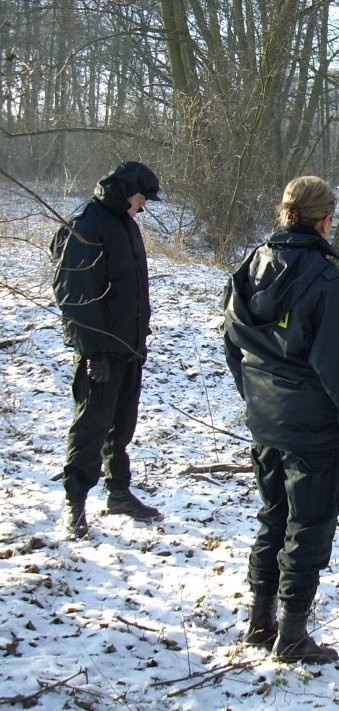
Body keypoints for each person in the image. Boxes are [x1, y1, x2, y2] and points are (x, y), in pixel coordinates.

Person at [222, 176, 339, 665]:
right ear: (325, 219)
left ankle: (260, 620)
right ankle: (291, 635)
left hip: (267, 420)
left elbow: (233, 344)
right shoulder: (325, 282)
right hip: (313, 428)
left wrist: (257, 400)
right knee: (309, 526)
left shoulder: (251, 266)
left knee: (273, 517)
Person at [50, 161, 163, 540]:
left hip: (128, 346)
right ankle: (74, 504)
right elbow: (75, 296)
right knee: (91, 427)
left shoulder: (124, 224)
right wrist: (92, 351)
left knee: (122, 427)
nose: (144, 205)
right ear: (126, 190)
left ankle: (118, 492)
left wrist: (138, 338)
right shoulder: (86, 224)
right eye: (142, 197)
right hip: (100, 351)